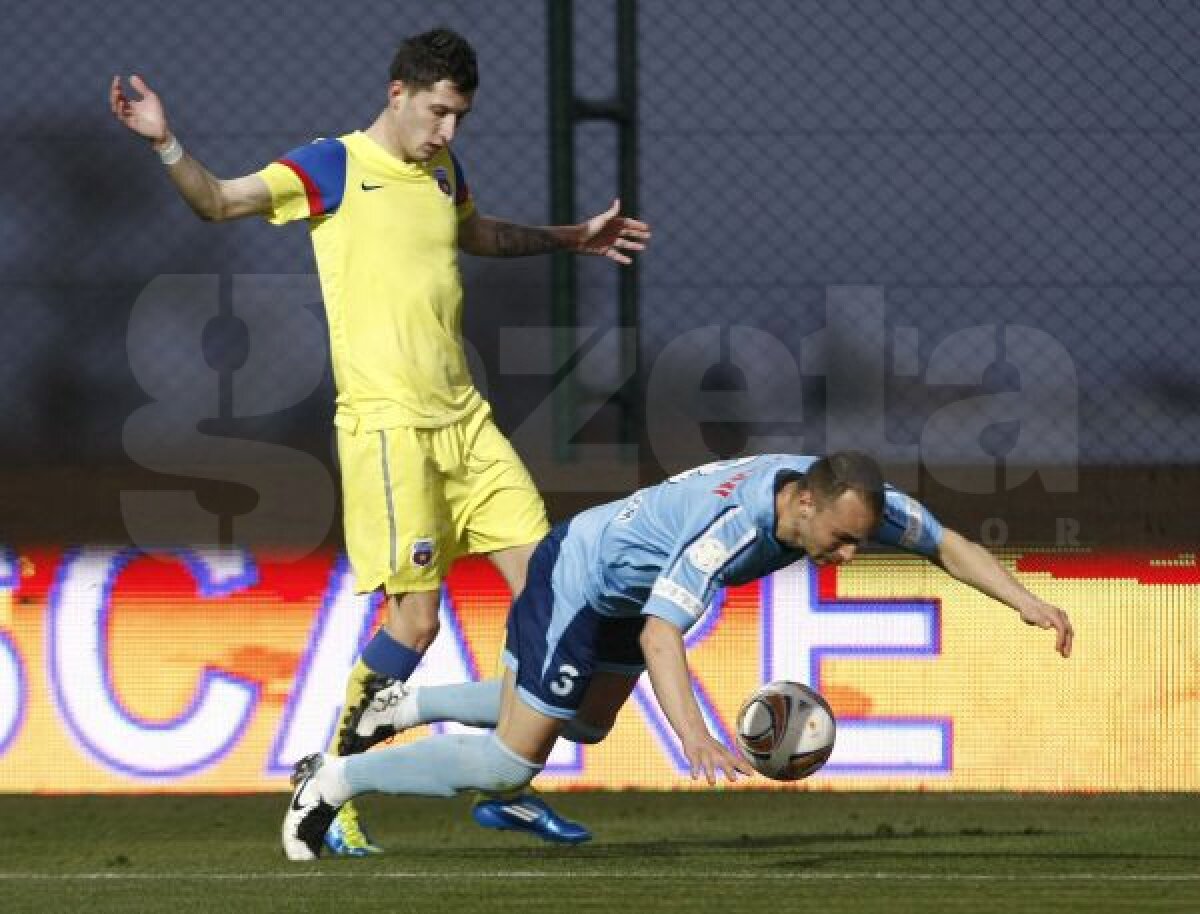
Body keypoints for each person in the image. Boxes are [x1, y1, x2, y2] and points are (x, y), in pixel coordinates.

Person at [110, 27, 650, 855]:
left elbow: (476, 235)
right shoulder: (331, 167)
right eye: (439, 112)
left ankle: (508, 781)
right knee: (415, 625)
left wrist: (570, 237)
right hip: (389, 430)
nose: (448, 132)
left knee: (557, 595)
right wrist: (166, 143)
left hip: (467, 422)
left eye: (460, 116)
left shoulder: (442, 168)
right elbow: (217, 201)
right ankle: (328, 785)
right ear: (398, 92)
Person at [280, 451, 1074, 859]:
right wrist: (692, 735)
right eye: (840, 538)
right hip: (582, 581)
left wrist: (1027, 601)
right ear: (803, 503)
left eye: (860, 538)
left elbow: (950, 546)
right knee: (510, 765)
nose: (850, 553)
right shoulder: (731, 528)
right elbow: (664, 634)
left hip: (629, 594)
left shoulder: (845, 500)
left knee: (584, 726)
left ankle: (406, 706)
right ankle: (333, 778)